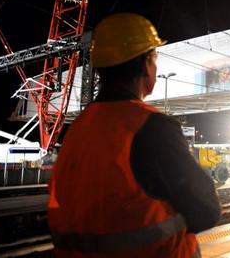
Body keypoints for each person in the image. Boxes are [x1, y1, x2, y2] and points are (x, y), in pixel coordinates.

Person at [48, 13, 221, 257]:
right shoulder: (151, 126)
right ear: (144, 64)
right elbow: (207, 211)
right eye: (155, 57)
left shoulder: (77, 129)